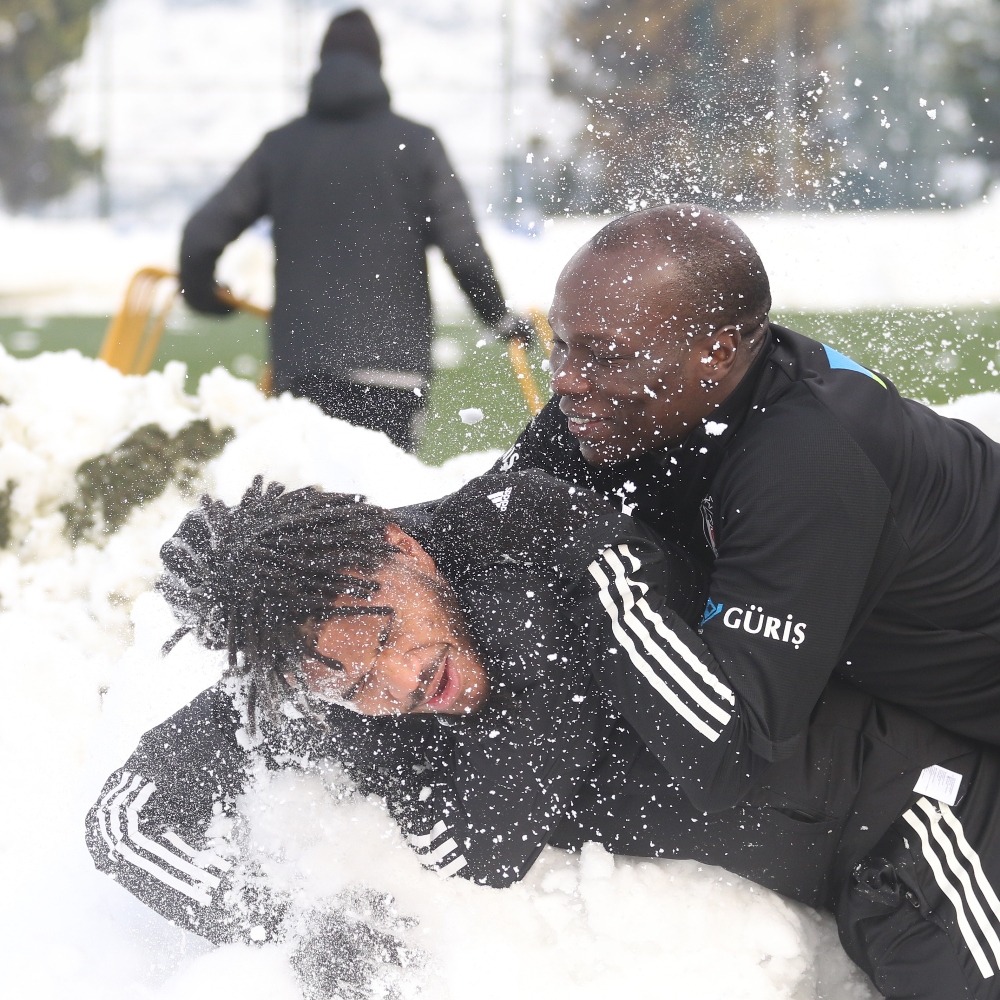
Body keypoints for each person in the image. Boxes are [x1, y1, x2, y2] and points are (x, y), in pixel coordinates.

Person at [88, 471, 1000, 999]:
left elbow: (488, 837)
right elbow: (123, 822)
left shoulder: (531, 539)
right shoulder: (313, 685)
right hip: (866, 901)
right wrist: (291, 918)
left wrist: (401, 762)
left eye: (381, 638)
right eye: (356, 686)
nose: (403, 683)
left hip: (920, 818)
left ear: (399, 547)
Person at [495, 204, 1000, 764]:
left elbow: (733, 743)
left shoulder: (808, 461)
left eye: (604, 354)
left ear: (717, 352)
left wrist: (592, 560)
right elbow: (478, 528)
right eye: (561, 345)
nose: (566, 379)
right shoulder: (612, 401)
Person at [179, 9, 530, 452]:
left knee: (310, 508)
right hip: (395, 372)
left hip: (306, 370)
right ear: (378, 67)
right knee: (386, 508)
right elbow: (463, 250)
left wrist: (203, 297)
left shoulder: (282, 147)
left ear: (320, 66)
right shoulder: (417, 144)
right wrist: (499, 318)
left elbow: (200, 234)